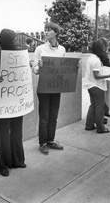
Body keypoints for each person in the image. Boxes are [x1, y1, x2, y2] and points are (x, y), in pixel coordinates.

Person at [0, 29, 26, 177]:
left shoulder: (20, 57)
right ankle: (3, 164)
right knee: (4, 131)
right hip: (4, 101)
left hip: (17, 99)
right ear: (7, 42)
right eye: (14, 40)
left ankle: (17, 159)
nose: (17, 42)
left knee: (17, 129)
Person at [32, 22, 66, 155]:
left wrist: (75, 67)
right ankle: (43, 143)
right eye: (45, 30)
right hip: (44, 86)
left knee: (54, 115)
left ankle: (51, 140)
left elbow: (64, 68)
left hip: (56, 86)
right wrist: (39, 66)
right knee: (44, 116)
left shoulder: (62, 49)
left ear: (56, 33)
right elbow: (34, 69)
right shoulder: (40, 49)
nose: (46, 32)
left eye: (49, 30)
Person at [84, 39, 110, 133]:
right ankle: (100, 128)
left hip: (90, 85)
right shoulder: (96, 60)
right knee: (100, 108)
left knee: (93, 106)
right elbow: (97, 75)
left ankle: (89, 125)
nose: (104, 49)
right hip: (97, 86)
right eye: (103, 47)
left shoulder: (90, 57)